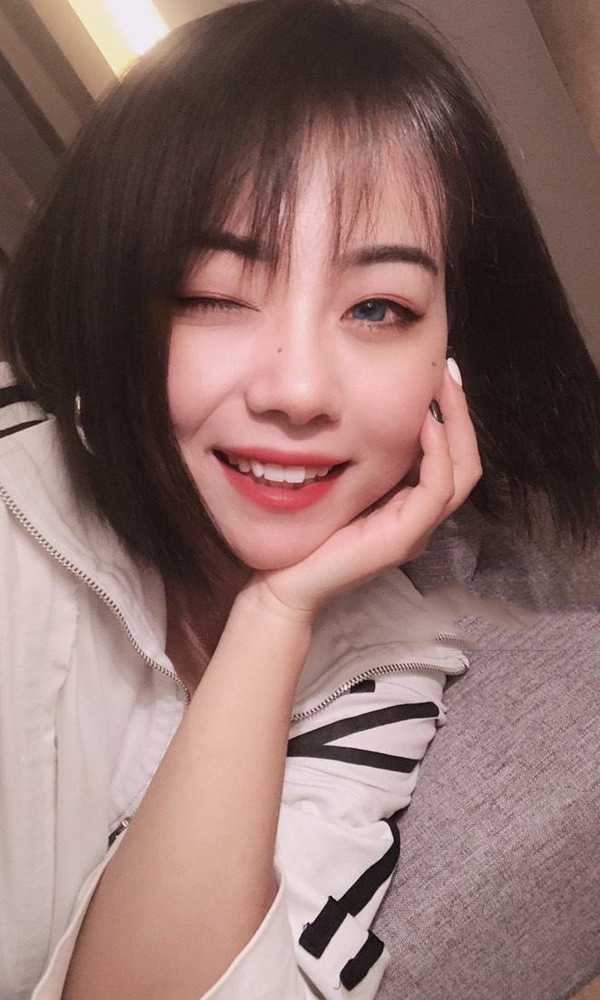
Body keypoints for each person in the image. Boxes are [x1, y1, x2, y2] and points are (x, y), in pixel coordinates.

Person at [1, 0, 600, 997]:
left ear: (452, 362)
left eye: (379, 308)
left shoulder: (384, 668)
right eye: (213, 292)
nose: (300, 388)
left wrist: (274, 615)